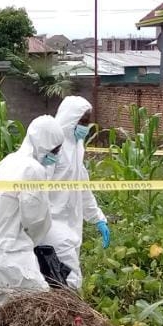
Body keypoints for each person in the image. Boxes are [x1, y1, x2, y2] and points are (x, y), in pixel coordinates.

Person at [0, 115, 64, 315]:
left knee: (2, 304)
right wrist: (30, 238)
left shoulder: (8, 162)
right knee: (39, 303)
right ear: (45, 144)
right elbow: (34, 218)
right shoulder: (33, 169)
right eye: (55, 150)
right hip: (11, 250)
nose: (56, 156)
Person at [45, 96, 110, 289]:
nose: (85, 126)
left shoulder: (76, 146)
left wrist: (97, 217)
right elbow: (35, 187)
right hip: (50, 220)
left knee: (56, 274)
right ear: (70, 119)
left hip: (68, 220)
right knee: (70, 276)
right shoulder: (52, 146)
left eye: (87, 121)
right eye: (82, 121)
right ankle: (75, 314)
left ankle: (60, 313)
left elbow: (82, 186)